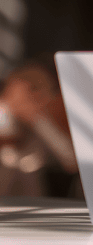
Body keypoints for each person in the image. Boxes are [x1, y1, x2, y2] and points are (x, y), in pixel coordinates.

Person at [0, 57, 78, 196]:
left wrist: (37, 119)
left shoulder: (39, 120)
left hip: (33, 200)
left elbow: (71, 161)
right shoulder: (4, 113)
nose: (39, 97)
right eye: (33, 89)